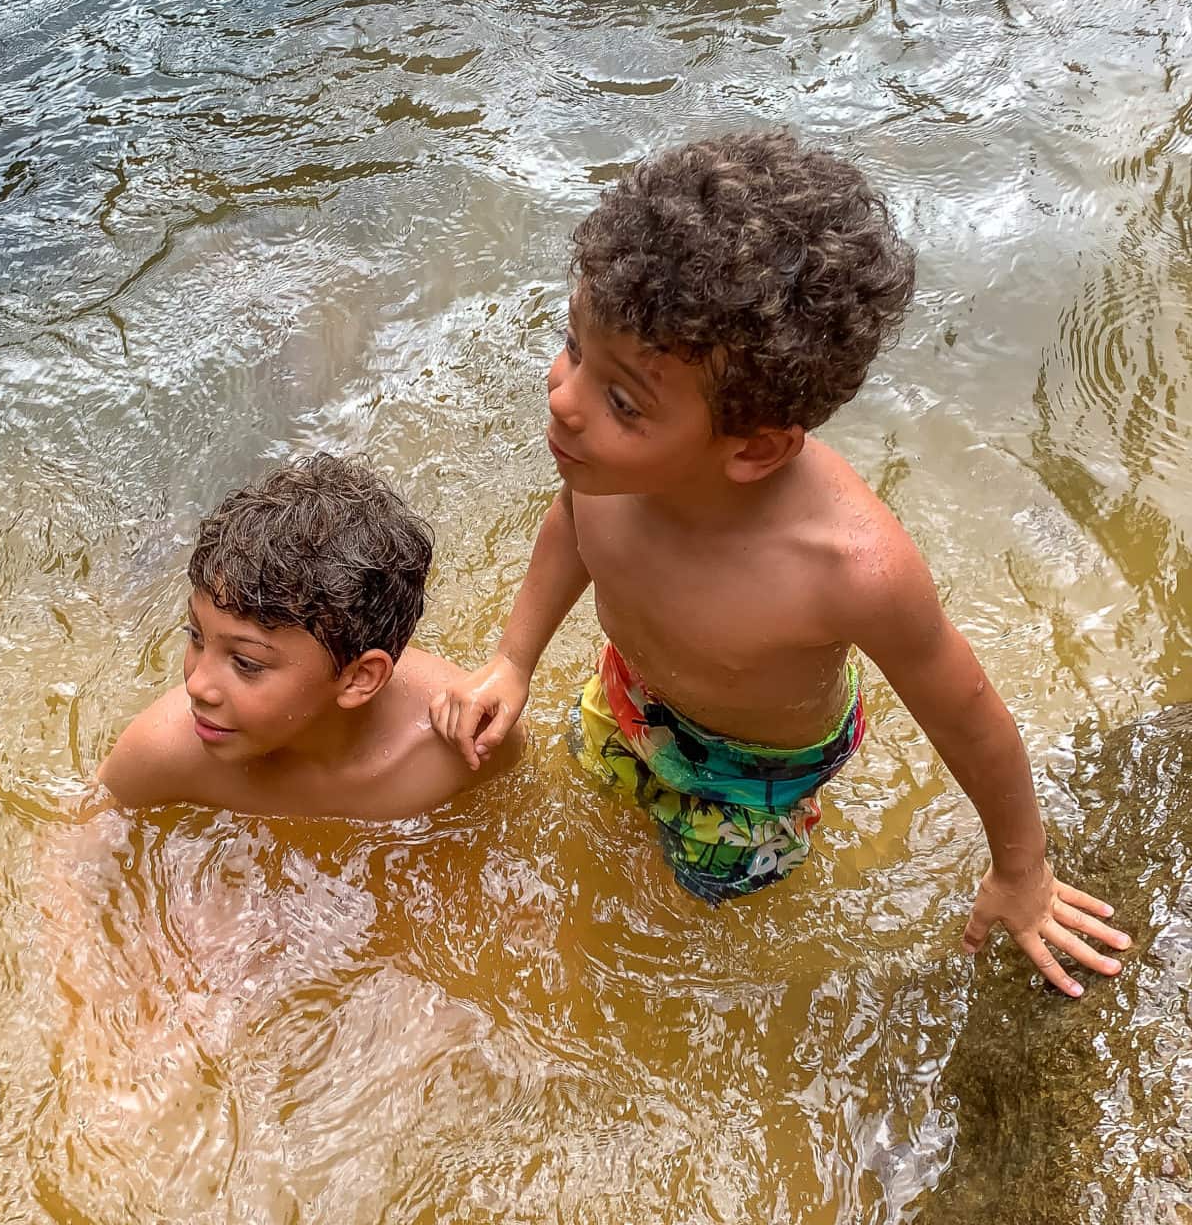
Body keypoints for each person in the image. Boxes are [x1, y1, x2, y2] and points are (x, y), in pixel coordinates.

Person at [429, 131, 1130, 995]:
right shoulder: (605, 468)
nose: (563, 401)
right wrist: (514, 660)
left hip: (754, 778)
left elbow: (969, 715)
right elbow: (572, 529)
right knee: (593, 800)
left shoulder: (847, 569)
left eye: (620, 399)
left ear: (756, 449)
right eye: (574, 347)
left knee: (695, 926)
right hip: (631, 692)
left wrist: (1022, 872)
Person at [97, 454, 523, 821]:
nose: (196, 684)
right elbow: (77, 848)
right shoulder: (167, 750)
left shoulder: (457, 749)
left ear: (360, 678)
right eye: (196, 636)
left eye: (245, 663)